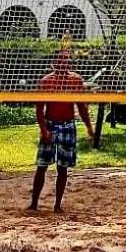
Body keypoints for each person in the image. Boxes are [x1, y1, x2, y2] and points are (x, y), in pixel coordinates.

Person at [30, 48, 94, 214]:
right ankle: (34, 204)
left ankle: (57, 205)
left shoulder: (76, 80)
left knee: (63, 167)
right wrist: (44, 130)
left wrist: (89, 127)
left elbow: (82, 107)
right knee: (42, 165)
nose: (64, 62)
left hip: (68, 126)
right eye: (61, 59)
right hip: (50, 125)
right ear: (54, 62)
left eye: (67, 60)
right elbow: (39, 109)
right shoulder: (46, 82)